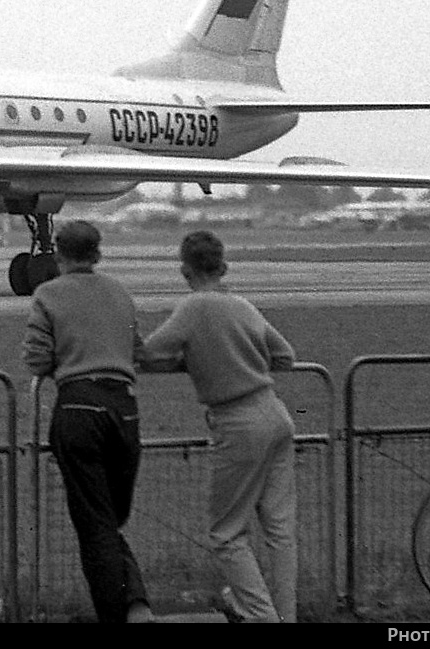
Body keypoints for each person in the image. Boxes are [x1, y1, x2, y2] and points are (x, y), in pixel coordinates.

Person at [139, 230, 297, 623]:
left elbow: (147, 352)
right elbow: (285, 356)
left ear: (184, 270)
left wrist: (191, 362)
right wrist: (243, 363)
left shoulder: (193, 308)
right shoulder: (242, 305)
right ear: (224, 267)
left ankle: (263, 617)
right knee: (279, 530)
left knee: (225, 534)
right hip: (274, 412)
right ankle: (285, 613)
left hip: (237, 422)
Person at [22, 220, 154, 623]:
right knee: (111, 519)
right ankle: (136, 605)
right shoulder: (120, 292)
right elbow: (136, 350)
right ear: (98, 254)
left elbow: (37, 359)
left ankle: (123, 611)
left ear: (59, 256)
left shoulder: (47, 294)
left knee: (95, 525)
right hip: (124, 410)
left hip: (78, 409)